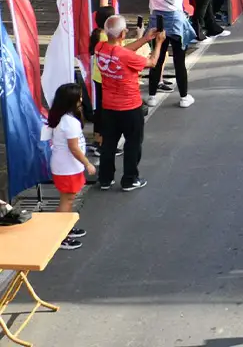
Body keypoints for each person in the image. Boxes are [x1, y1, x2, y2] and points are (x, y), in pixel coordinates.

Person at [94, 14, 164, 192]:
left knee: (108, 144)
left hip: (108, 107)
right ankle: (129, 179)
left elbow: (123, 51)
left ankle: (105, 179)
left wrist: (144, 39)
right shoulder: (125, 56)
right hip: (130, 107)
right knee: (133, 143)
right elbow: (153, 62)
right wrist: (159, 43)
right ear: (122, 34)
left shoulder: (100, 47)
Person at [144, 0, 201, 109]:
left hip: (158, 22)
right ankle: (183, 96)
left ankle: (152, 96)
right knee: (179, 61)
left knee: (157, 59)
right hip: (175, 23)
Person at [43, 83, 95, 250]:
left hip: (65, 166)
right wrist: (87, 163)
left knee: (68, 199)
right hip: (67, 168)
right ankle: (60, 235)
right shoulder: (69, 122)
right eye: (79, 96)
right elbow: (74, 148)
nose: (81, 99)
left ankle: (66, 227)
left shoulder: (62, 118)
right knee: (67, 200)